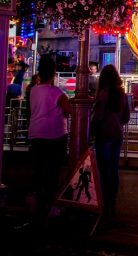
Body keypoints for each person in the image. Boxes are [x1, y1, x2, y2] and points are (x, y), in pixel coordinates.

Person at [27, 54, 71, 224]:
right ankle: (51, 207)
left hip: (36, 134)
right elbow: (70, 110)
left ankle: (38, 207)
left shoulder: (33, 90)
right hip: (55, 136)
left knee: (39, 172)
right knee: (53, 173)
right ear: (53, 72)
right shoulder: (57, 92)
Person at [91, 64, 130, 220]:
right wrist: (117, 121)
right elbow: (126, 117)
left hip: (104, 135)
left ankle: (103, 203)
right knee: (113, 170)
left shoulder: (103, 94)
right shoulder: (122, 95)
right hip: (117, 134)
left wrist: (93, 128)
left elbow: (99, 117)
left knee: (103, 170)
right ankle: (111, 204)